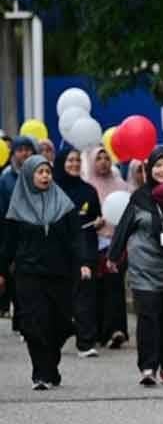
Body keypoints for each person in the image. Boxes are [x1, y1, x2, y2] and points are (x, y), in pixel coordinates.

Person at [0, 155, 90, 389]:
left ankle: (51, 365)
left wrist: (83, 262)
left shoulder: (63, 204)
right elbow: (8, 243)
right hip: (28, 274)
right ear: (29, 176)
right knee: (33, 324)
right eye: (39, 172)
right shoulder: (17, 206)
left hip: (60, 274)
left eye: (47, 172)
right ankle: (41, 373)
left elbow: (76, 238)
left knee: (59, 324)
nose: (44, 176)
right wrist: (1, 270)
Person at [108, 147, 163, 386]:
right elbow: (124, 227)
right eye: (158, 165)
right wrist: (114, 256)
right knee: (148, 319)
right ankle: (148, 367)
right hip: (145, 270)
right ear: (149, 170)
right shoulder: (140, 198)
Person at [53, 147, 102, 358]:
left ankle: (85, 342)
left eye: (77, 160)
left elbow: (96, 215)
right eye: (70, 160)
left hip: (86, 248)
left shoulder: (89, 190)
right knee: (60, 298)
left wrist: (99, 222)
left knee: (86, 296)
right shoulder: (52, 190)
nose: (74, 164)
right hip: (59, 252)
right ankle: (58, 335)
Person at [81, 145, 131, 348]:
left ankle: (116, 330)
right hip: (95, 243)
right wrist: (95, 222)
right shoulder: (87, 186)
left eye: (106, 157)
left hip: (117, 243)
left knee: (115, 287)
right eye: (98, 158)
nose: (103, 161)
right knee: (96, 288)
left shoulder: (120, 184)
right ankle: (98, 331)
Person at [0, 136, 41, 323]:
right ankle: (21, 315)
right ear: (13, 153)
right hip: (13, 230)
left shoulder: (41, 172)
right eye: (20, 149)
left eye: (28, 149)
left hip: (37, 230)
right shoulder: (6, 177)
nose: (24, 153)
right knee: (18, 275)